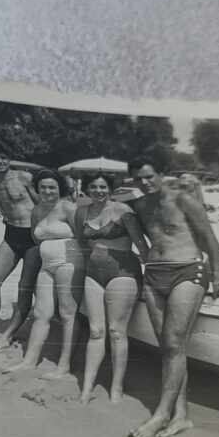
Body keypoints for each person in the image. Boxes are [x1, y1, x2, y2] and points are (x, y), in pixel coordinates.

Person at [127, 158, 219, 437]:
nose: (145, 183)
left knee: (173, 343)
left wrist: (218, 276)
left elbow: (210, 238)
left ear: (161, 174)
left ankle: (160, 414)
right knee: (170, 348)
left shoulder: (184, 200)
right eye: (139, 179)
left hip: (188, 270)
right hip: (154, 276)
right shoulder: (139, 206)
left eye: (149, 177)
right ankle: (181, 416)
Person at [75, 172, 149, 403]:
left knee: (117, 332)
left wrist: (152, 279)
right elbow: (81, 242)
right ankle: (87, 387)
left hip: (123, 271)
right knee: (96, 331)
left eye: (103, 187)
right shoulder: (82, 212)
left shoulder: (124, 212)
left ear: (110, 189)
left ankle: (116, 387)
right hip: (93, 273)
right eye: (94, 187)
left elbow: (143, 247)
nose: (99, 191)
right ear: (87, 189)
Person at [1, 171, 83, 378]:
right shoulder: (37, 211)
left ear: (60, 189)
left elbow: (84, 239)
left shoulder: (69, 208)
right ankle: (29, 361)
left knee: (67, 313)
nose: (47, 191)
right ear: (37, 189)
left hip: (69, 263)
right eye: (43, 187)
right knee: (41, 313)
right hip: (47, 265)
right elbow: (36, 239)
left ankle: (64, 365)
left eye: (52, 187)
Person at [0, 152, 41, 349]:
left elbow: (42, 205)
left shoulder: (24, 177)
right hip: (11, 236)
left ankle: (9, 334)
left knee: (24, 287)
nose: (0, 161)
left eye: (3, 157)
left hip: (33, 237)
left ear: (9, 159)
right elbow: (4, 210)